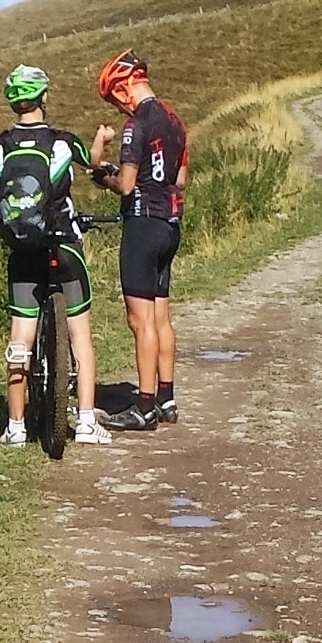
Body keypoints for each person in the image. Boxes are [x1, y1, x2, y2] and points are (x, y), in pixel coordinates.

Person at [0, 67, 99, 441]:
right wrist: (102, 139)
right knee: (80, 336)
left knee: (21, 338)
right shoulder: (62, 142)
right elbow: (92, 163)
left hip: (22, 250)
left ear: (13, 101)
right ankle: (88, 422)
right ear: (44, 98)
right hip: (63, 244)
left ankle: (15, 427)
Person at [98, 54, 191, 426]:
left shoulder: (136, 125)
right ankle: (166, 399)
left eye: (114, 98)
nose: (118, 105)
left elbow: (125, 184)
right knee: (161, 317)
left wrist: (100, 174)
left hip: (141, 224)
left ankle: (145, 406)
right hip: (170, 224)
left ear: (124, 87)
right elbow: (180, 180)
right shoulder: (176, 121)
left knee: (140, 322)